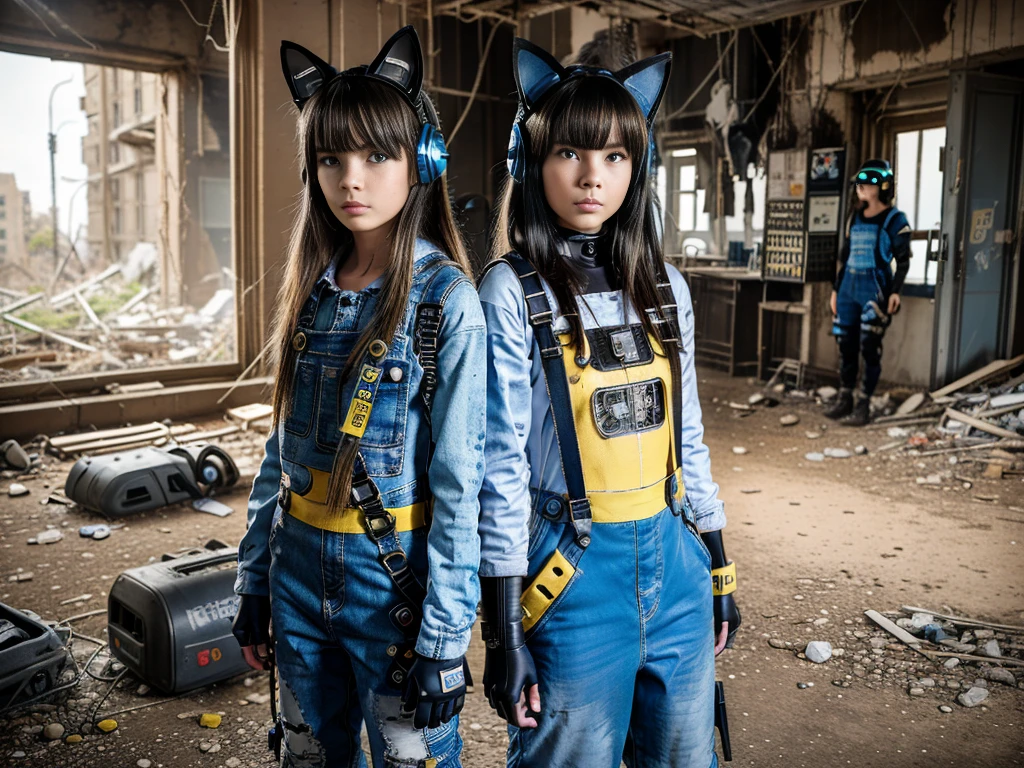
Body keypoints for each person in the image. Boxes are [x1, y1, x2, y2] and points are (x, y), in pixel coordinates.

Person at [476, 38, 741, 768]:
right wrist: (502, 633)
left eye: (616, 156)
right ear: (530, 160)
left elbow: (687, 441)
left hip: (675, 562)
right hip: (567, 572)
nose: (593, 176)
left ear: (639, 166)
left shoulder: (666, 287)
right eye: (570, 152)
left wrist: (716, 569)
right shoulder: (509, 292)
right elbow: (497, 473)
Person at [231, 26, 485, 768]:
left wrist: (443, 637)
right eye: (331, 158)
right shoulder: (309, 290)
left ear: (422, 162)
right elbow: (279, 454)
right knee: (309, 758)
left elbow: (459, 483)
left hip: (393, 587)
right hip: (298, 576)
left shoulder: (445, 303)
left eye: (378, 156)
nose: (353, 179)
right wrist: (254, 580)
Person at [826, 159, 912, 426]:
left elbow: (903, 260)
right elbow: (845, 255)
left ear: (882, 186)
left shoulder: (895, 220)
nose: (861, 188)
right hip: (848, 289)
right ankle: (845, 399)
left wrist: (895, 292)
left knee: (869, 347)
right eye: (859, 184)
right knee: (846, 346)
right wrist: (835, 290)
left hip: (875, 290)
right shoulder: (854, 217)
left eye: (867, 184)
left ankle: (863, 405)